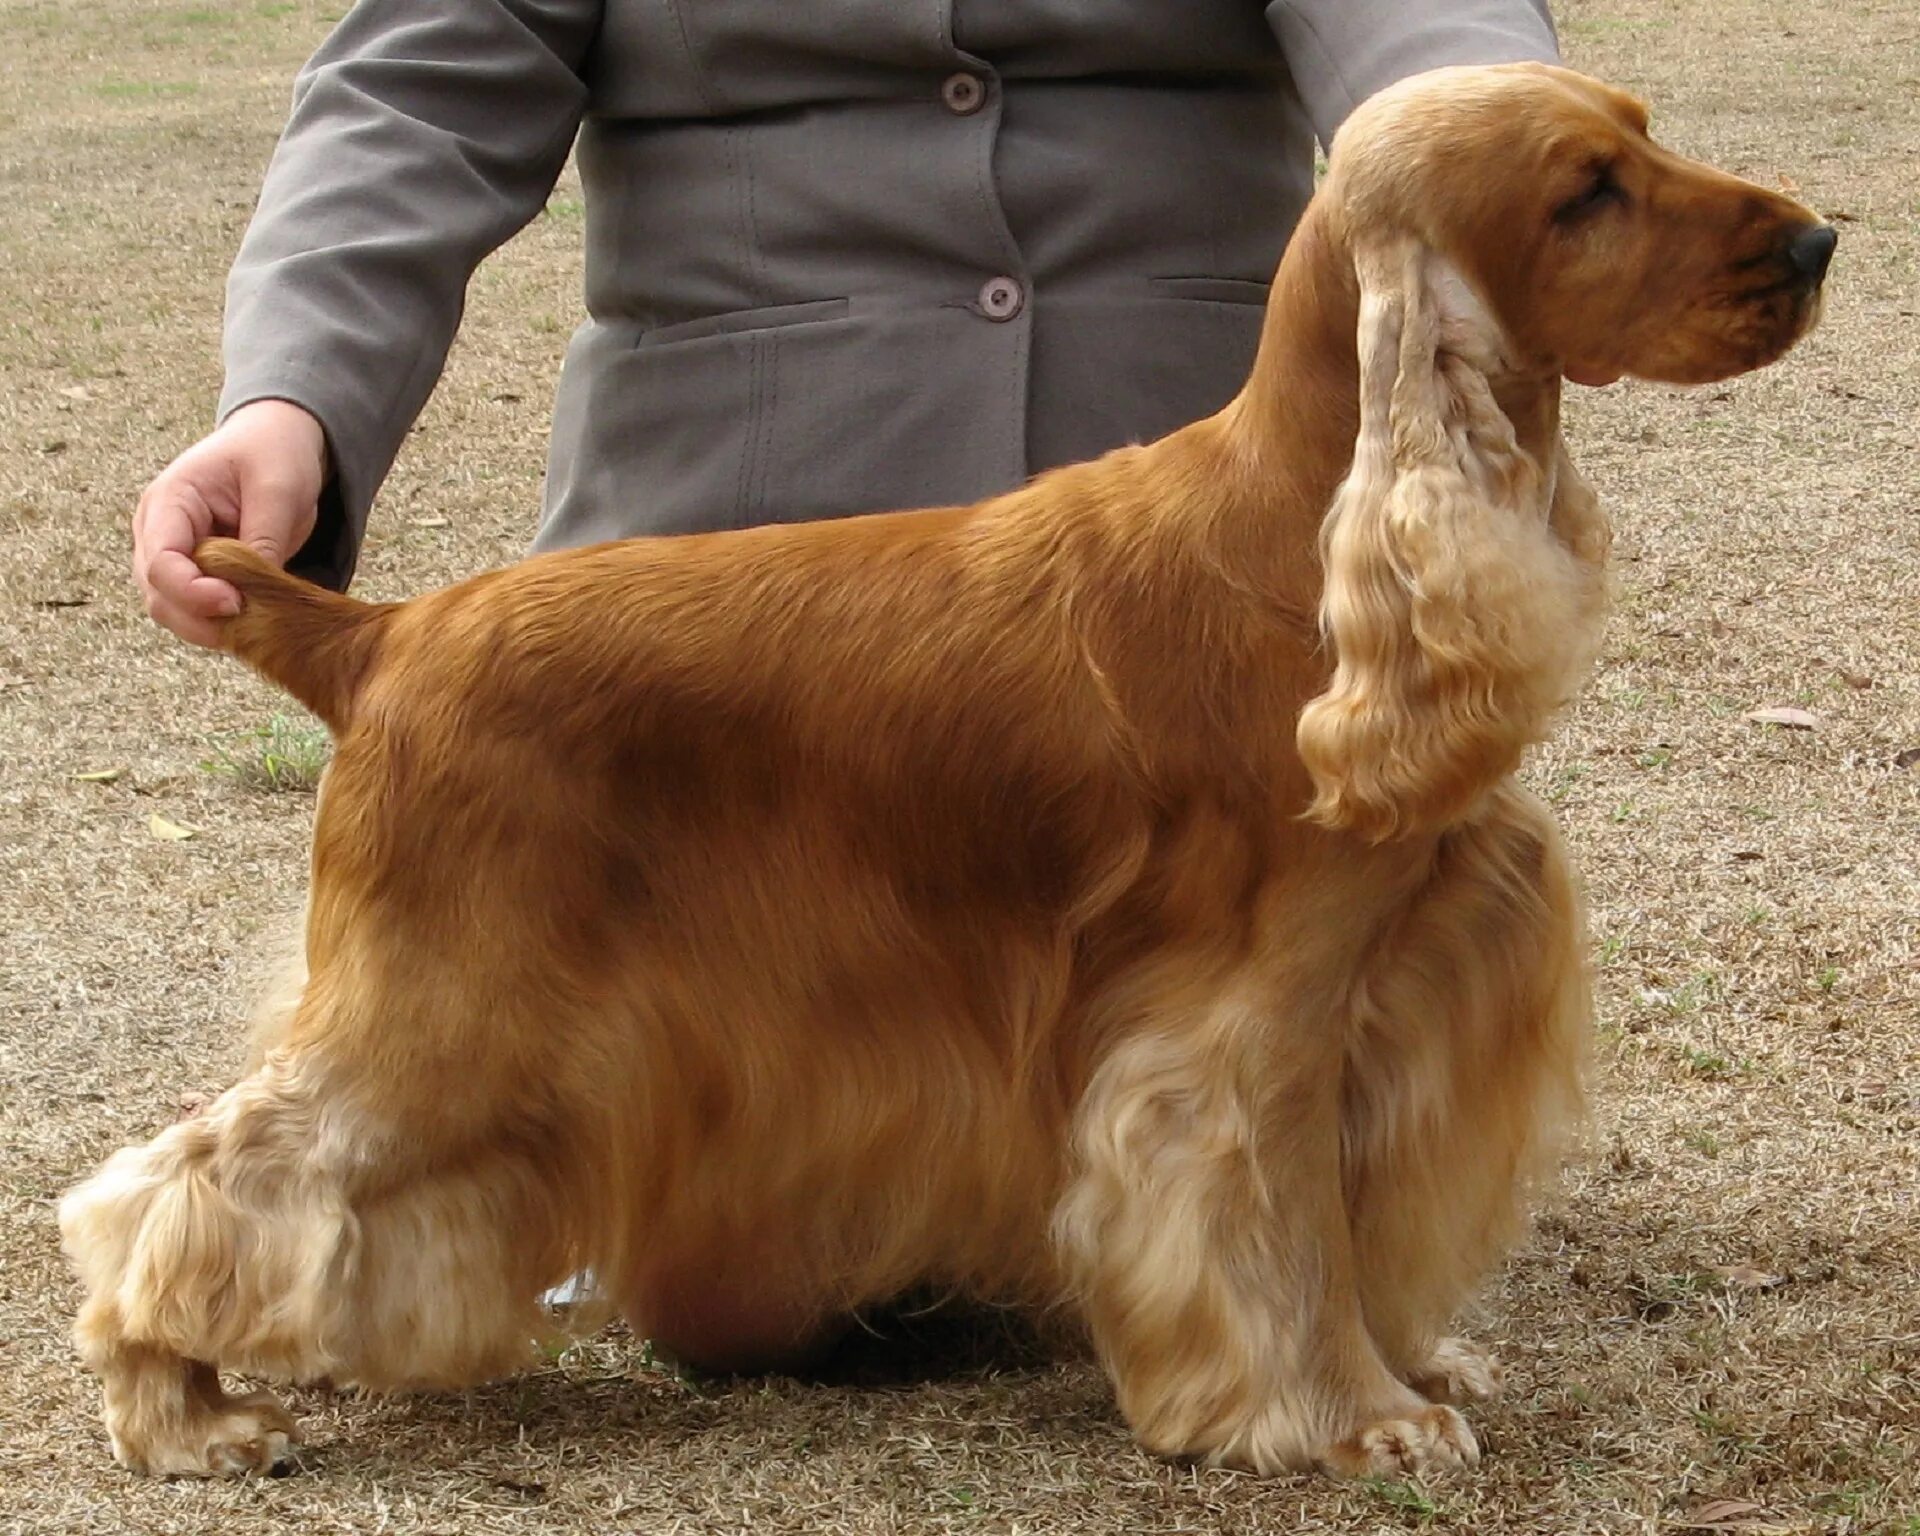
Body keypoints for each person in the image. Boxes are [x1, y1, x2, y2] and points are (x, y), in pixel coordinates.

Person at [131, 0, 1558, 644]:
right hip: (727, 578)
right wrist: (289, 402)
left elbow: (1428, 33)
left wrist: (1512, 169)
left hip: (1200, 552)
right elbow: (416, 95)